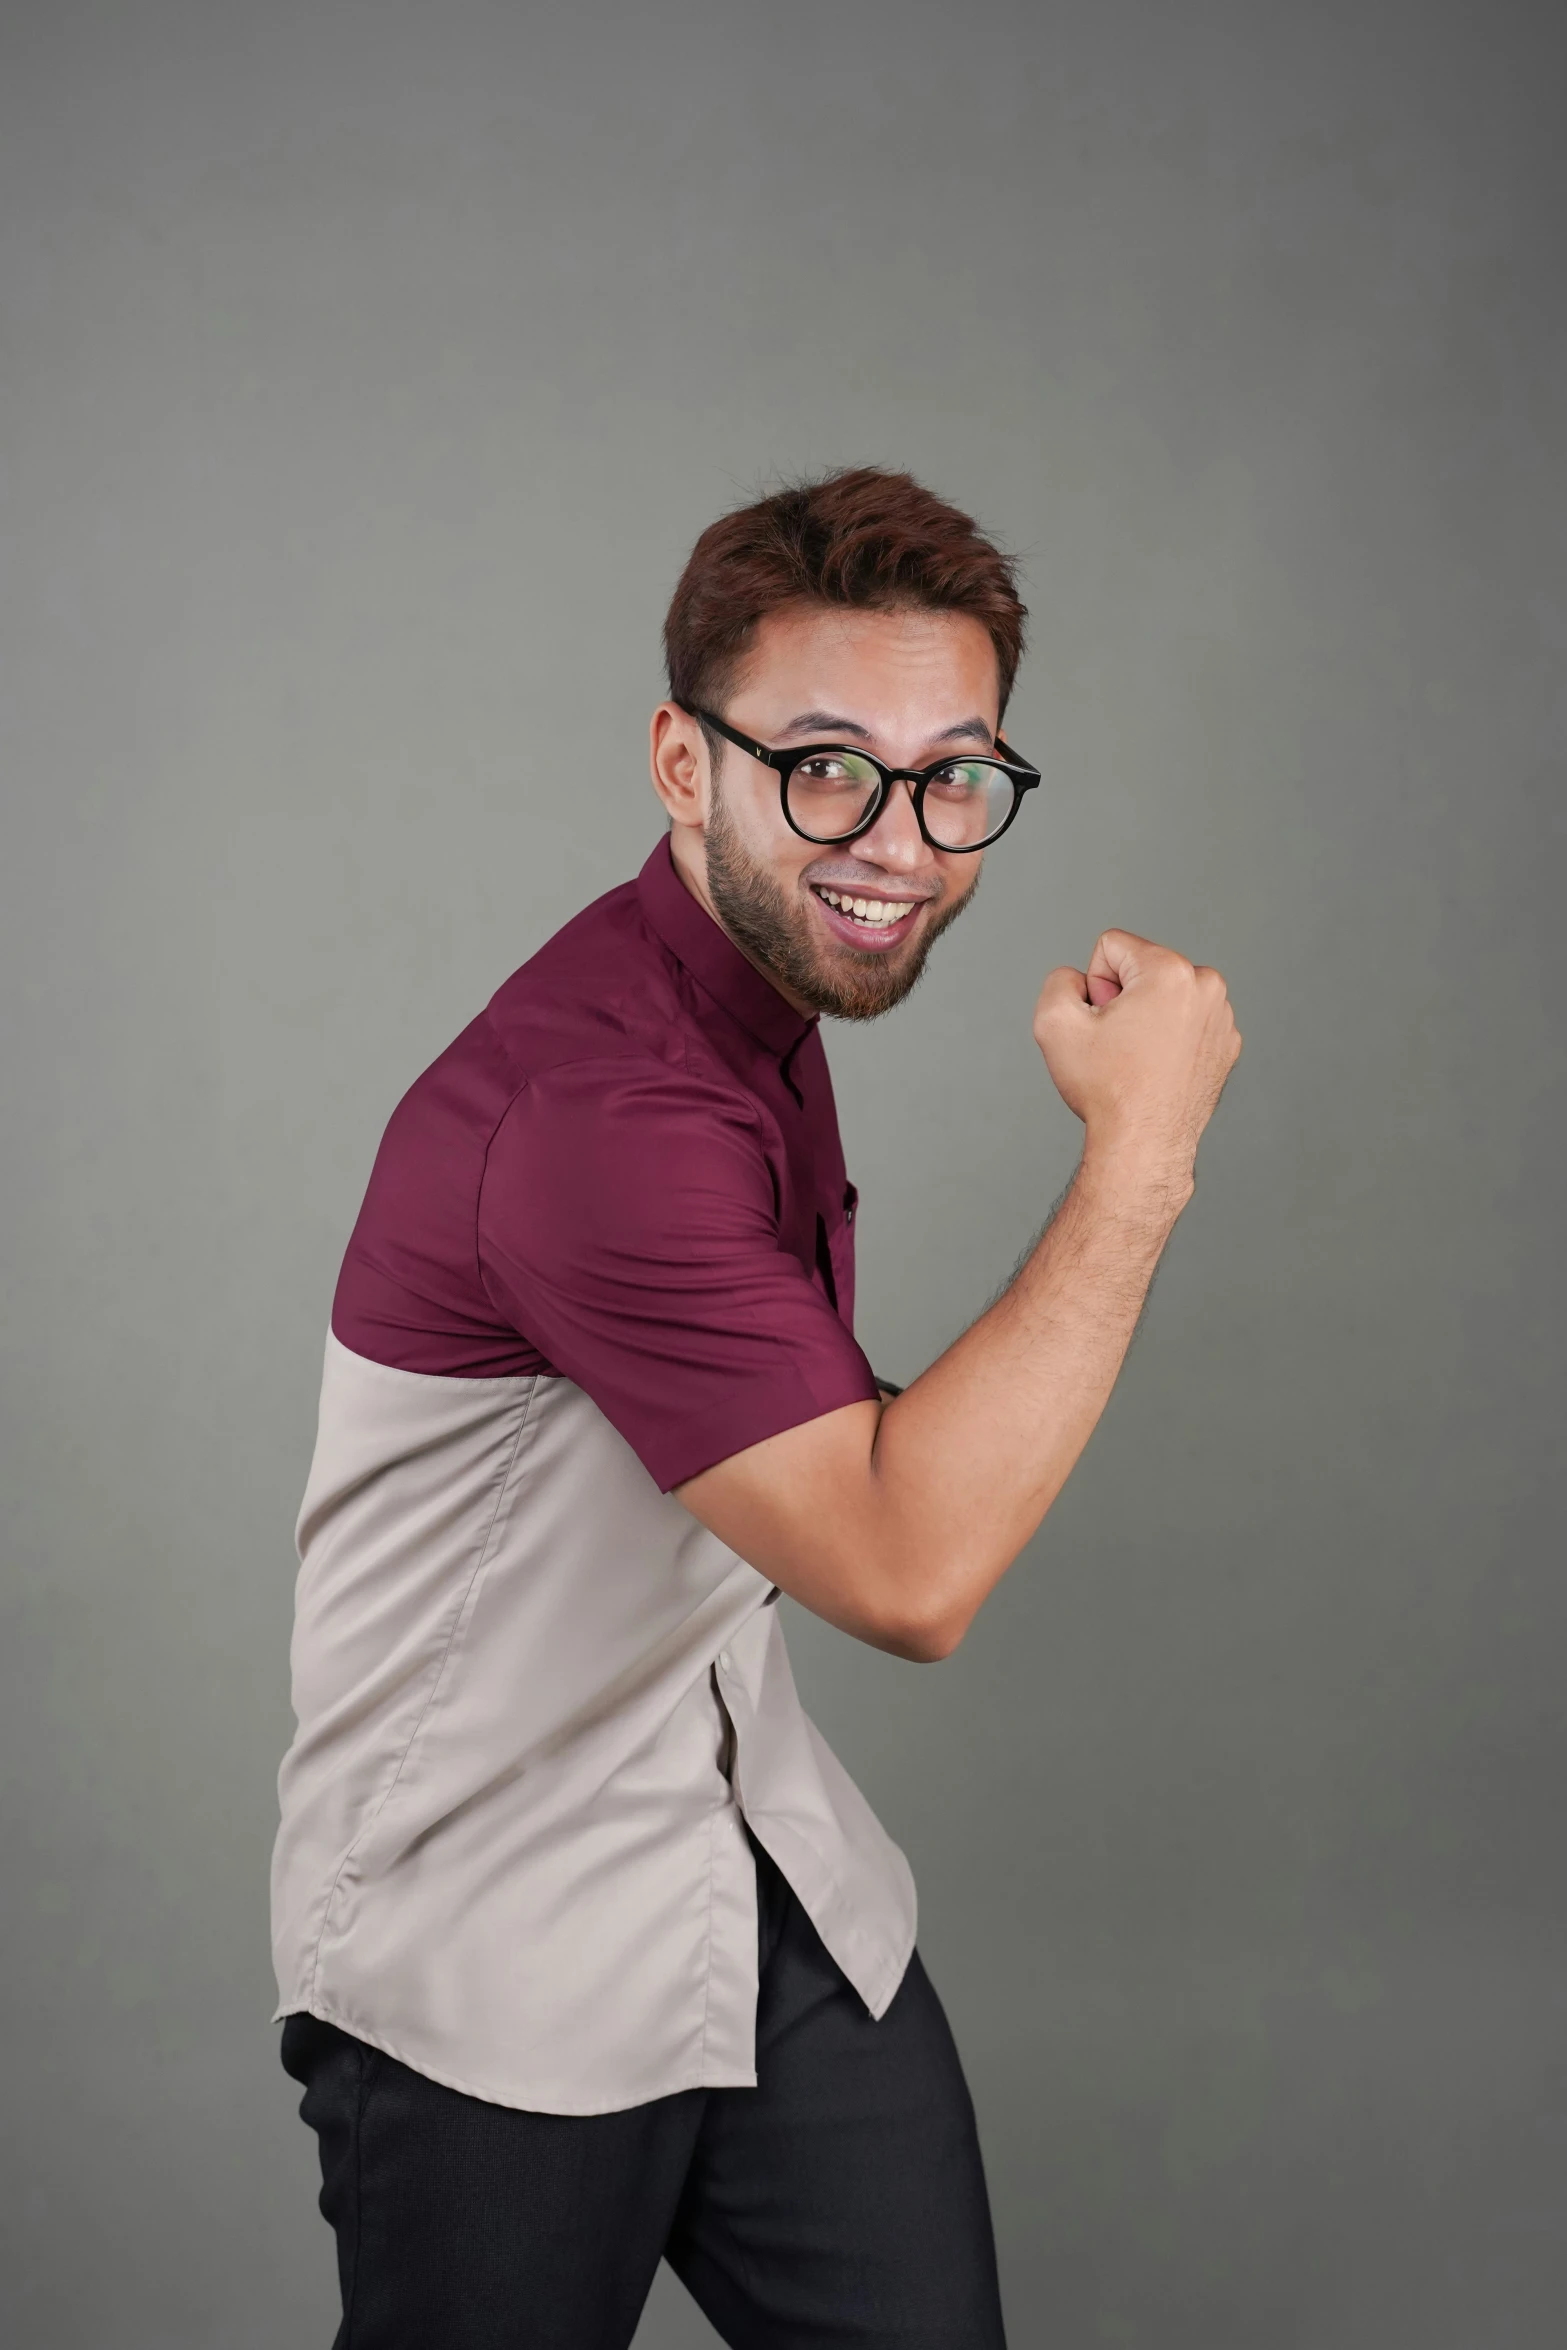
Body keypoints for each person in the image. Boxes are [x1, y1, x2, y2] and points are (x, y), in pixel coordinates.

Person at [271, 466, 1242, 2349]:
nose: (894, 837)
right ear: (677, 761)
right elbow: (908, 1565)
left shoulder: (748, 1010)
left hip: (750, 1856)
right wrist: (1144, 1150)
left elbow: (813, 1449)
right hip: (488, 1933)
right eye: (820, 761)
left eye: (952, 772)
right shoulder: (601, 1115)